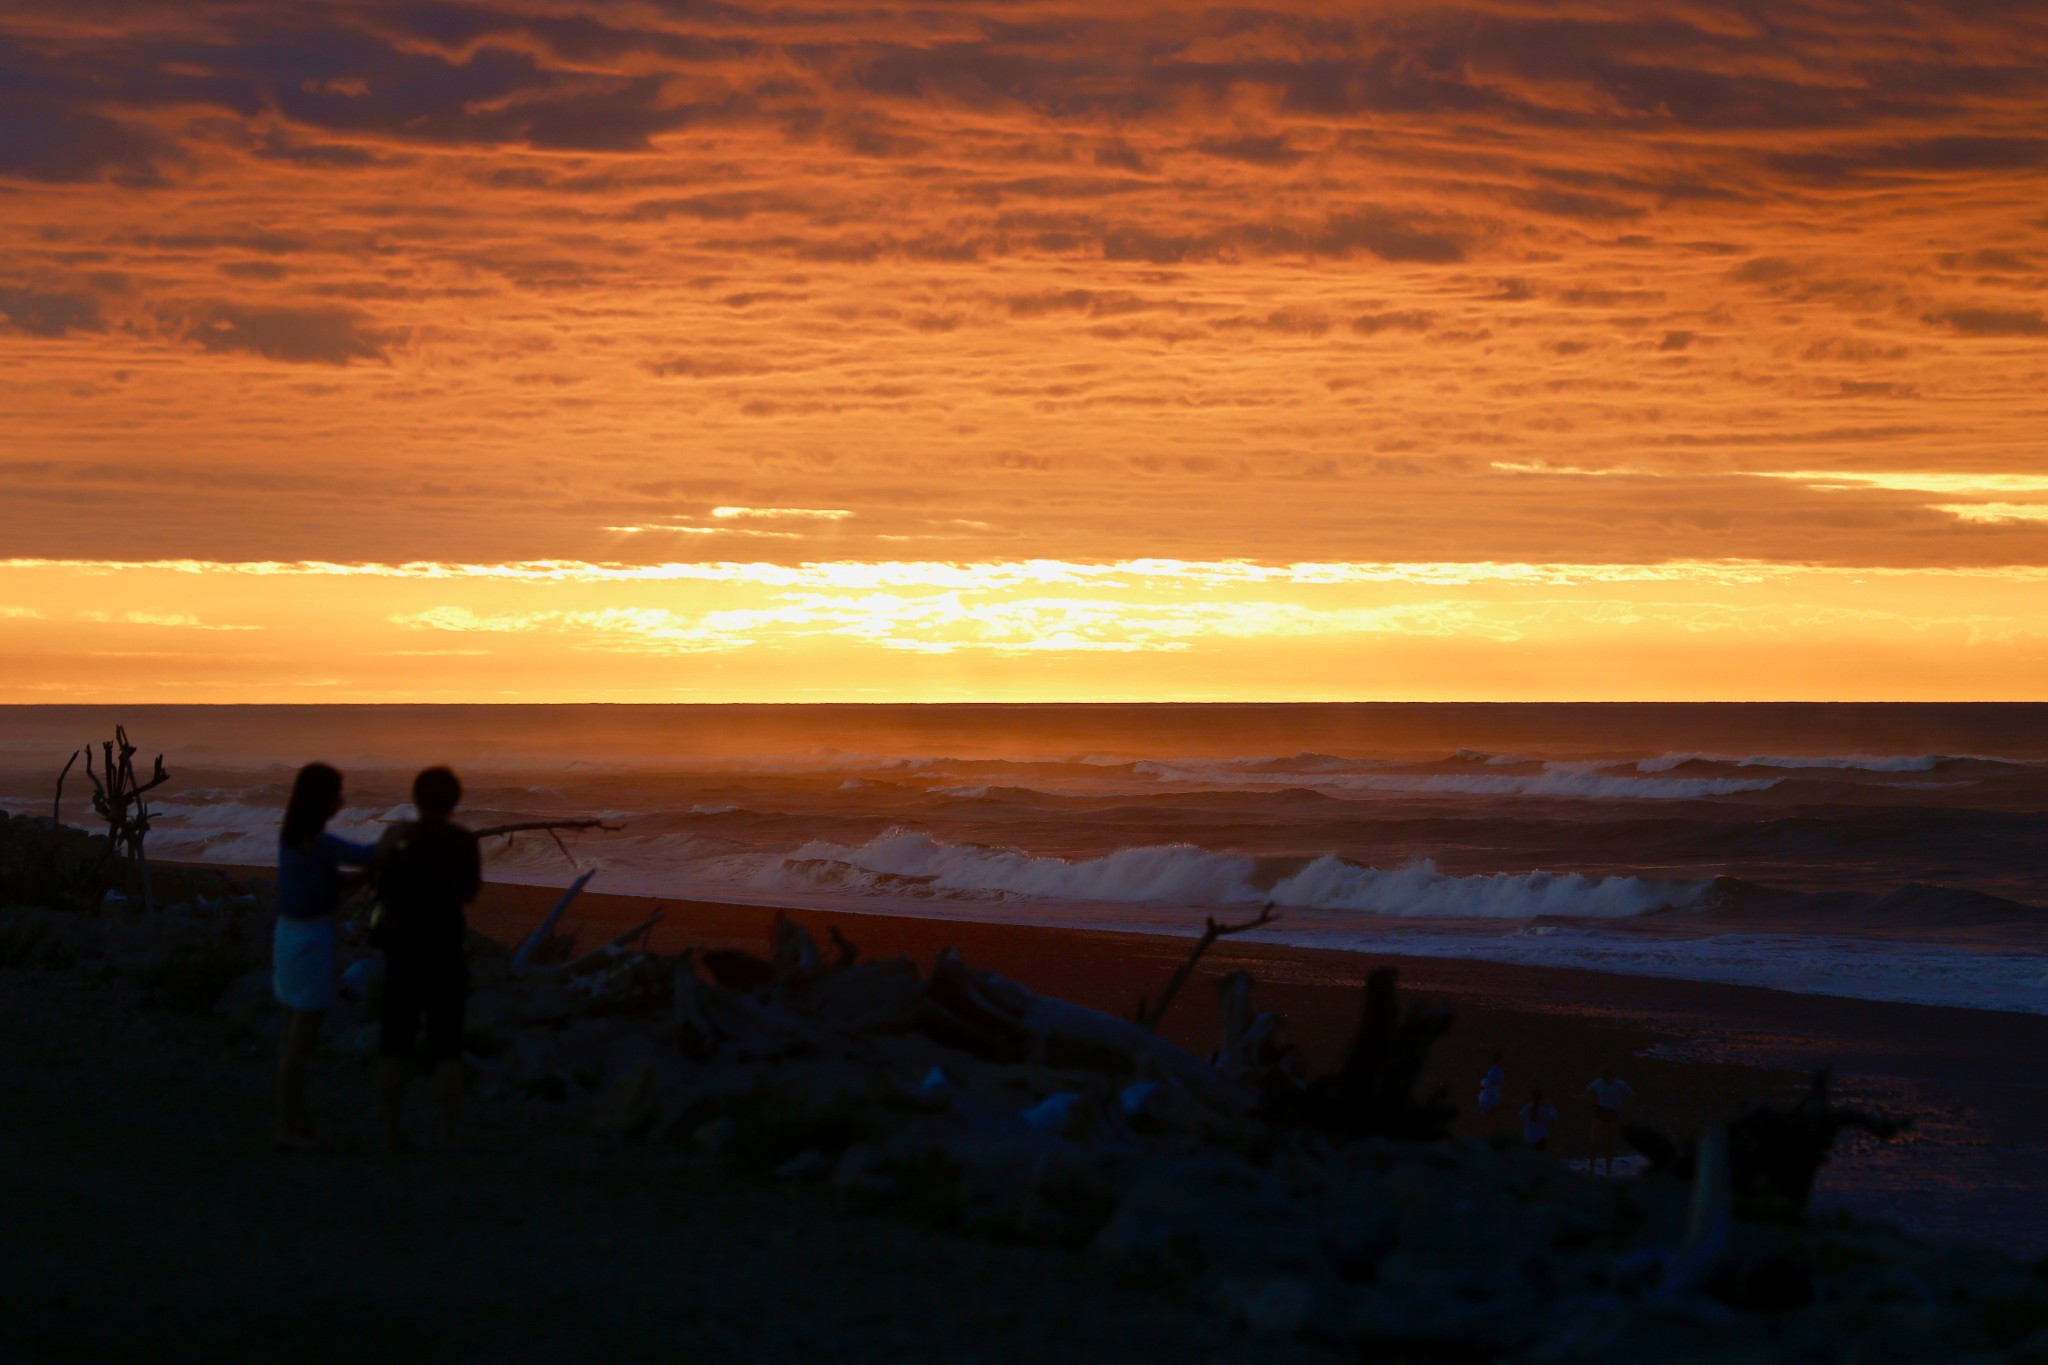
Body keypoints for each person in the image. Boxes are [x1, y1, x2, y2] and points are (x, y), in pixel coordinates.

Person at [373, 766, 481, 1151]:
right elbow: (469, 893)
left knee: (394, 1043)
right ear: (455, 800)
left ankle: (390, 1130)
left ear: (416, 799)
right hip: (446, 951)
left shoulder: (397, 839)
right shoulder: (463, 842)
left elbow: (380, 884)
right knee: (448, 1046)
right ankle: (448, 1134)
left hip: (402, 950)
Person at [273, 762, 376, 1150]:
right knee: (301, 1041)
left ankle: (297, 1120)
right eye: (337, 793)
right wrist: (402, 836)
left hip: (288, 936)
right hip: (310, 942)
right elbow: (364, 855)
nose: (342, 800)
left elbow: (334, 880)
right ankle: (285, 1128)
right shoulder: (317, 843)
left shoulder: (294, 839)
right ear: (323, 800)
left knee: (289, 1036)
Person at [1587, 1067, 1636, 1176]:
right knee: (1593, 1142)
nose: (1605, 1079)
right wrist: (1593, 1103)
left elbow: (1631, 1094)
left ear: (1612, 1077)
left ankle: (1608, 1171)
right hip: (1600, 1111)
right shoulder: (1598, 1083)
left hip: (1613, 1112)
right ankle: (1591, 1169)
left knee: (1609, 1143)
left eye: (1607, 1077)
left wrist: (1623, 1107)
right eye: (1604, 1077)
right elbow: (1589, 1089)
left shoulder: (1619, 1085)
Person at [1477, 1050, 1506, 1117]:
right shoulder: (1494, 1072)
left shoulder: (1494, 1071)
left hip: (1489, 1098)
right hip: (1490, 1099)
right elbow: (1485, 1084)